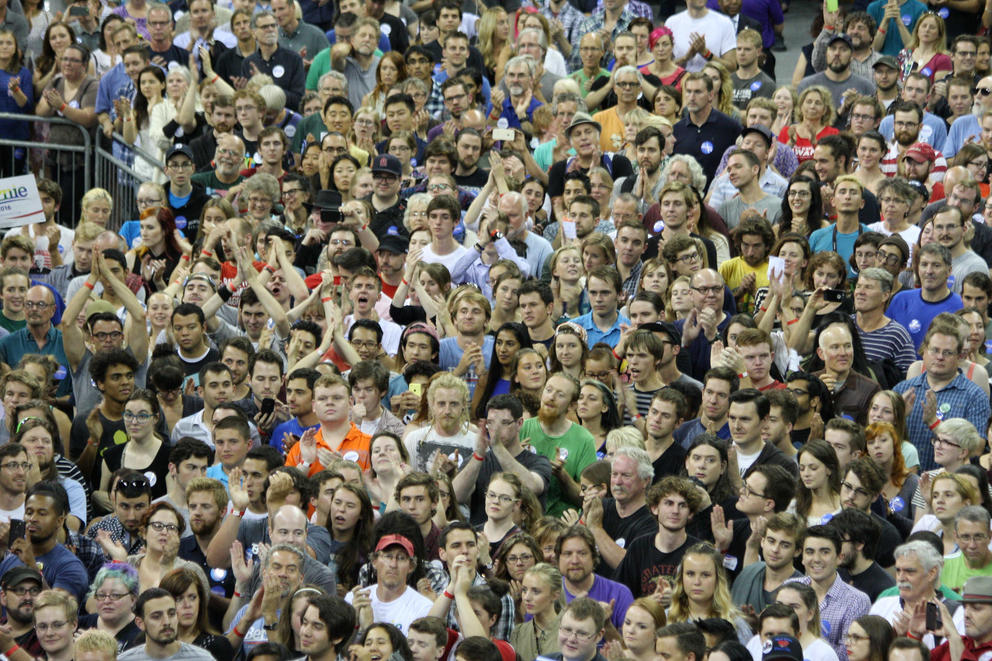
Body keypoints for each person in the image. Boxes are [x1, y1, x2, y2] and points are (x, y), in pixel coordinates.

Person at [791, 524, 871, 661]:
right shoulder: (789, 588)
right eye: (810, 552)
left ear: (840, 557)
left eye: (825, 552)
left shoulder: (856, 600)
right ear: (802, 557)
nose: (816, 559)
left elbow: (847, 655)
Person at [614, 476, 702, 598]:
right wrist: (650, 604)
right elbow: (621, 595)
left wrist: (676, 601)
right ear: (655, 508)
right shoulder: (639, 547)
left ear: (690, 513)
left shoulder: (699, 552)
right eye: (669, 503)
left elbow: (707, 602)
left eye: (682, 505)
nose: (675, 511)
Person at [730, 512, 805, 613]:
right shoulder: (747, 574)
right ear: (762, 541)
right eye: (771, 541)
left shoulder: (803, 589)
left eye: (785, 545)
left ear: (797, 551)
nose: (775, 549)